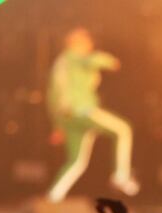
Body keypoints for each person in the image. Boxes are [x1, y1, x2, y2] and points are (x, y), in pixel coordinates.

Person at [47, 27, 139, 202]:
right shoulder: (75, 57)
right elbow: (95, 61)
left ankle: (53, 197)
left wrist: (57, 125)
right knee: (123, 129)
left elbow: (52, 95)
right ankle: (121, 176)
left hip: (68, 118)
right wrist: (110, 61)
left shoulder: (60, 64)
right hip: (83, 111)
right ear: (76, 43)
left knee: (76, 161)